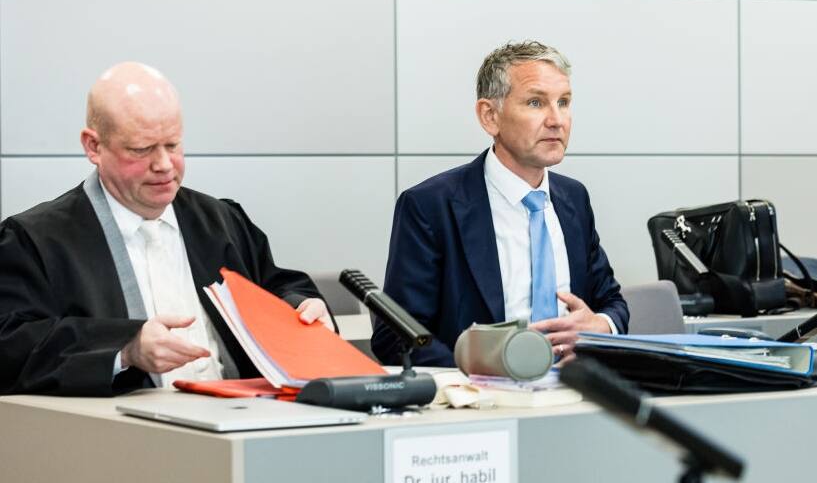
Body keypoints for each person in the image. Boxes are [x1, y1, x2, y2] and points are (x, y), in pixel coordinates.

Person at [0, 62, 332, 396]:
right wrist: (127, 349)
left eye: (172, 145)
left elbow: (277, 286)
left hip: (242, 419)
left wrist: (301, 306)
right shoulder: (35, 240)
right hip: (120, 433)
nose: (163, 165)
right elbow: (12, 346)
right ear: (94, 146)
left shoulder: (219, 220)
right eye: (141, 149)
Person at [372, 41, 628, 366]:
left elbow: (611, 301)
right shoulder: (430, 206)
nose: (556, 120)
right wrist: (488, 370)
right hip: (482, 399)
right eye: (536, 102)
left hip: (574, 392)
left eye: (564, 102)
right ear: (490, 116)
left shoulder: (574, 199)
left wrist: (600, 327)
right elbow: (395, 336)